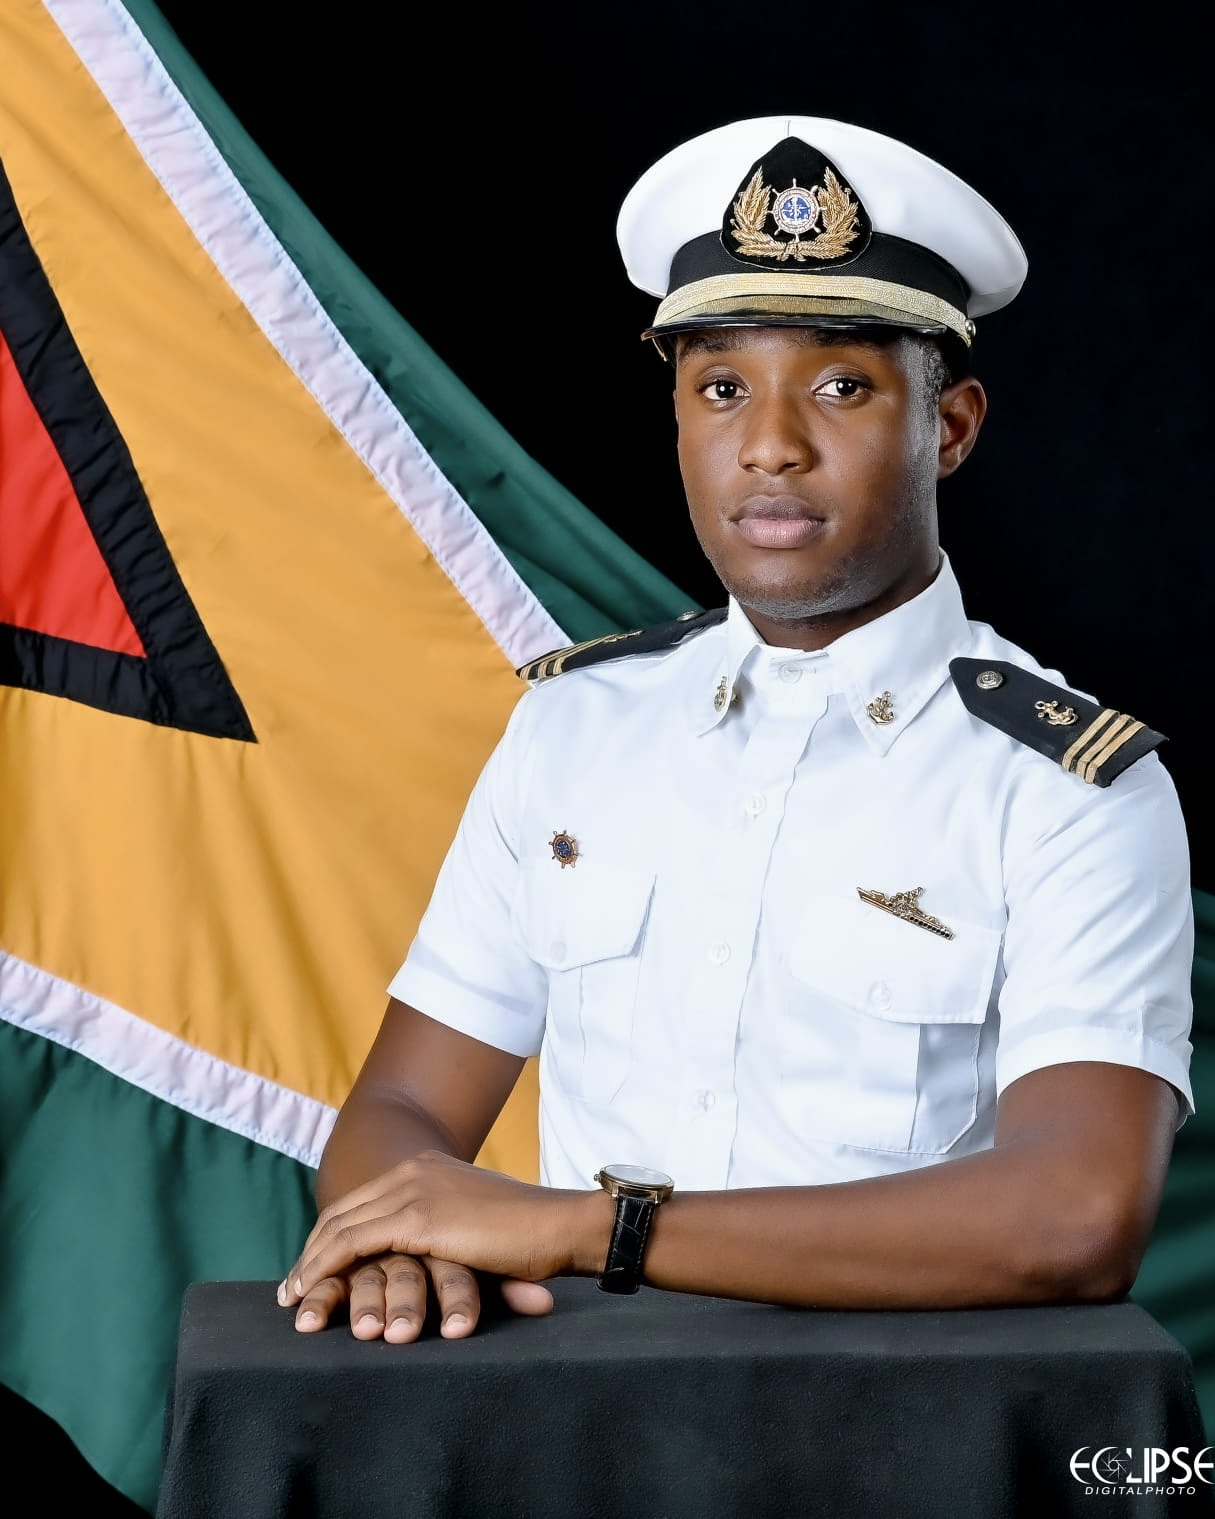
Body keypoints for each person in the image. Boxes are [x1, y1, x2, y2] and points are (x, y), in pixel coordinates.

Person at [279, 115, 1194, 1341]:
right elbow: (400, 1104)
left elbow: (1076, 1217)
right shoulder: (572, 732)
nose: (770, 445)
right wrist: (403, 1237)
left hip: (900, 1441)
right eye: (721, 387)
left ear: (954, 426)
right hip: (578, 1436)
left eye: (840, 387)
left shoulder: (1069, 787)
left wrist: (597, 1229)